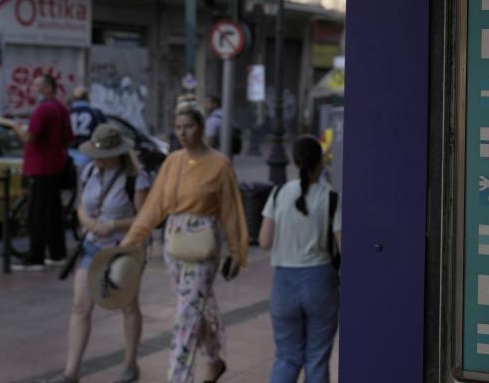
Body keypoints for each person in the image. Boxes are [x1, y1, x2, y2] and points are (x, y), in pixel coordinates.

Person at [121, 96, 248, 383]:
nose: (182, 133)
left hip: (203, 244)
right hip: (174, 242)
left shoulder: (219, 164)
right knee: (192, 308)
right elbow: (155, 205)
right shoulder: (173, 162)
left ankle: (178, 377)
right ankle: (213, 360)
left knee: (185, 315)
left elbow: (231, 210)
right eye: (178, 127)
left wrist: (237, 252)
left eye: (188, 126)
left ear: (202, 127)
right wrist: (132, 239)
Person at [47, 124, 151, 383]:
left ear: (120, 152)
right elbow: (81, 206)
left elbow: (145, 219)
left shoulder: (135, 177)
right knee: (80, 306)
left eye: (106, 153)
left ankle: (129, 364)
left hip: (124, 249)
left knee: (127, 306)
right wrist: (89, 222)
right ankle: (71, 372)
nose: (101, 159)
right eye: (98, 153)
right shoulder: (91, 171)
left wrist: (112, 226)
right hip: (92, 246)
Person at [259, 136, 342, 383]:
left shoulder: (277, 194)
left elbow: (264, 241)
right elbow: (343, 247)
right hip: (320, 282)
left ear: (295, 161)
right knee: (316, 358)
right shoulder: (331, 199)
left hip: (284, 283)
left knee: (286, 357)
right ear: (320, 162)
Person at [14, 74, 73, 270]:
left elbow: (30, 137)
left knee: (37, 214)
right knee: (53, 213)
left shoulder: (43, 109)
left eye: (37, 85)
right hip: (56, 166)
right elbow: (68, 137)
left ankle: (35, 256)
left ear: (48, 88)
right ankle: (57, 253)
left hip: (40, 168)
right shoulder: (60, 108)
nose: (33, 88)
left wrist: (17, 129)